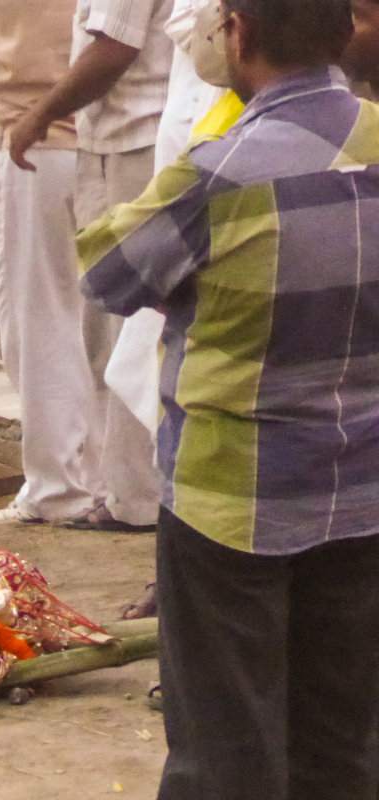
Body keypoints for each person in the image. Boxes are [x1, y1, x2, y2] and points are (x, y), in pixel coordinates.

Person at [78, 1, 379, 795]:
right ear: (345, 30)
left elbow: (110, 275)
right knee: (343, 738)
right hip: (366, 490)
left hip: (230, 494)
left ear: (237, 33)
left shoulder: (219, 170)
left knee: (224, 743)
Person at [9, 0, 175, 533]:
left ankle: (132, 497)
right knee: (142, 326)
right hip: (149, 134)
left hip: (131, 139)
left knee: (119, 326)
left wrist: (40, 113)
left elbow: (114, 47)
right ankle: (134, 488)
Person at [0, 0, 101, 528]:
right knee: (108, 318)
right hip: (114, 141)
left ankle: (56, 487)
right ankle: (109, 479)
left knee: (39, 318)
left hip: (33, 137)